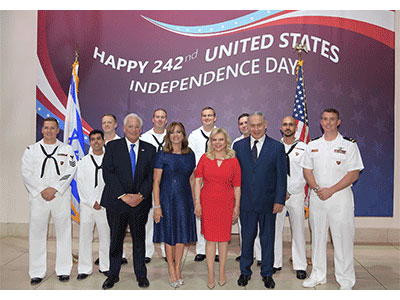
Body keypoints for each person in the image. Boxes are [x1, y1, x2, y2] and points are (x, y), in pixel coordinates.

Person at [300, 108, 364, 290]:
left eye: (332, 119)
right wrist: (317, 188)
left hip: (340, 199)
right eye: (324, 119)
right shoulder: (312, 145)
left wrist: (331, 190)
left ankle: (345, 280)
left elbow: (354, 174)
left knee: (343, 239)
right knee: (318, 238)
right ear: (321, 122)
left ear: (338, 122)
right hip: (318, 198)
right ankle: (318, 275)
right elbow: (307, 170)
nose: (327, 122)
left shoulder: (349, 145)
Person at [100, 113, 156, 289]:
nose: (133, 130)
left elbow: (151, 177)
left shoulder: (150, 149)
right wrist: (123, 196)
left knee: (139, 240)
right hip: (117, 202)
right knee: (116, 239)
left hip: (140, 203)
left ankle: (141, 275)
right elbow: (108, 173)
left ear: (141, 129)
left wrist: (140, 196)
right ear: (123, 128)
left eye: (137, 127)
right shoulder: (112, 146)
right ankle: (113, 275)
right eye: (130, 126)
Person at [233, 112, 287, 289]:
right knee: (247, 239)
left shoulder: (277, 147)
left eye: (259, 125)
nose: (255, 129)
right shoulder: (239, 146)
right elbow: (235, 176)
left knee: (267, 239)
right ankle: (245, 272)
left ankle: (267, 273)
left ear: (266, 125)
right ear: (247, 126)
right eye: (252, 125)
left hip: (268, 203)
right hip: (246, 203)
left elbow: (281, 176)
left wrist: (279, 200)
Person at [21, 117, 77, 284]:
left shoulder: (67, 149)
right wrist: (42, 190)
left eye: (53, 128)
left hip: (60, 196)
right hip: (39, 198)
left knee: (64, 233)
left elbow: (71, 169)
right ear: (42, 129)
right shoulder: (31, 150)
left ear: (57, 130)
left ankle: (63, 270)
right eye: (46, 128)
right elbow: (26, 172)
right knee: (37, 233)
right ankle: (37, 272)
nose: (49, 131)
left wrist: (56, 188)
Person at [194, 128, 241, 289]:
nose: (218, 143)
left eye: (221, 139)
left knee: (223, 240)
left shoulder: (233, 160)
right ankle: (210, 274)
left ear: (226, 141)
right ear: (210, 142)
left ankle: (221, 271)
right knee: (210, 240)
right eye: (214, 140)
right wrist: (197, 203)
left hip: (226, 203)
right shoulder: (204, 158)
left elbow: (237, 186)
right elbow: (197, 182)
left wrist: (237, 206)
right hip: (208, 202)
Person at [153, 122, 197, 288]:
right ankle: (171, 268)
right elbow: (156, 182)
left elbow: (192, 179)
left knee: (181, 236)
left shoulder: (190, 154)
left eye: (179, 132)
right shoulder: (162, 154)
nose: (176, 135)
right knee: (170, 235)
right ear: (168, 136)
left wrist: (194, 201)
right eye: (172, 132)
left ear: (183, 135)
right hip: (167, 199)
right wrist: (157, 206)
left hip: (185, 199)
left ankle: (178, 266)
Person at [273, 116, 307, 279]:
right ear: (281, 127)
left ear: (295, 127)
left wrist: (289, 191)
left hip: (296, 195)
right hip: (277, 196)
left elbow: (305, 173)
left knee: (298, 230)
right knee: (275, 230)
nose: (287, 127)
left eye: (290, 125)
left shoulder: (304, 148)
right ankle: (275, 263)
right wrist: (280, 191)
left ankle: (300, 265)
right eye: (285, 124)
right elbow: (270, 173)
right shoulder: (274, 147)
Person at [93, 113, 127, 266]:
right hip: (100, 191)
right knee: (104, 228)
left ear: (116, 125)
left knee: (118, 226)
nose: (106, 125)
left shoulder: (121, 143)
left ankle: (121, 254)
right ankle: (107, 255)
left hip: (117, 191)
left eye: (109, 122)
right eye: (104, 122)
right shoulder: (96, 143)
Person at [76, 130, 110, 280]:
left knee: (105, 236)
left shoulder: (110, 161)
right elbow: (81, 184)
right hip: (87, 205)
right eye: (93, 139)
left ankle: (106, 266)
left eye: (98, 139)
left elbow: (112, 183)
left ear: (103, 141)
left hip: (105, 205)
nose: (96, 142)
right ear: (90, 142)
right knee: (85, 236)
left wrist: (102, 201)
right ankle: (84, 268)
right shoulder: (83, 162)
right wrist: (92, 201)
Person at [188, 106, 219, 262]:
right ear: (201, 118)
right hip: (199, 178)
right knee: (200, 213)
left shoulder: (220, 133)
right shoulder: (194, 135)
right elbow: (190, 157)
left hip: (217, 179)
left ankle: (218, 249)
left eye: (210, 115)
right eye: (204, 115)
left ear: (215, 118)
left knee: (217, 214)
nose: (207, 118)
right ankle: (201, 249)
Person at [232, 113, 262, 265]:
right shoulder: (236, 144)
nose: (244, 125)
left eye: (246, 123)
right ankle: (246, 252)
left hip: (259, 191)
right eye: (241, 123)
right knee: (245, 227)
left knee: (258, 226)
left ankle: (260, 255)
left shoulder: (262, 143)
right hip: (243, 191)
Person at [140, 108, 168, 263]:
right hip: (149, 182)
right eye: (157, 117)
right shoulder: (145, 137)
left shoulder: (170, 137)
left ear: (166, 120)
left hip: (166, 182)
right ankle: (147, 251)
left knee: (165, 216)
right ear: (152, 119)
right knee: (148, 217)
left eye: (162, 117)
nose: (159, 120)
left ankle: (165, 249)